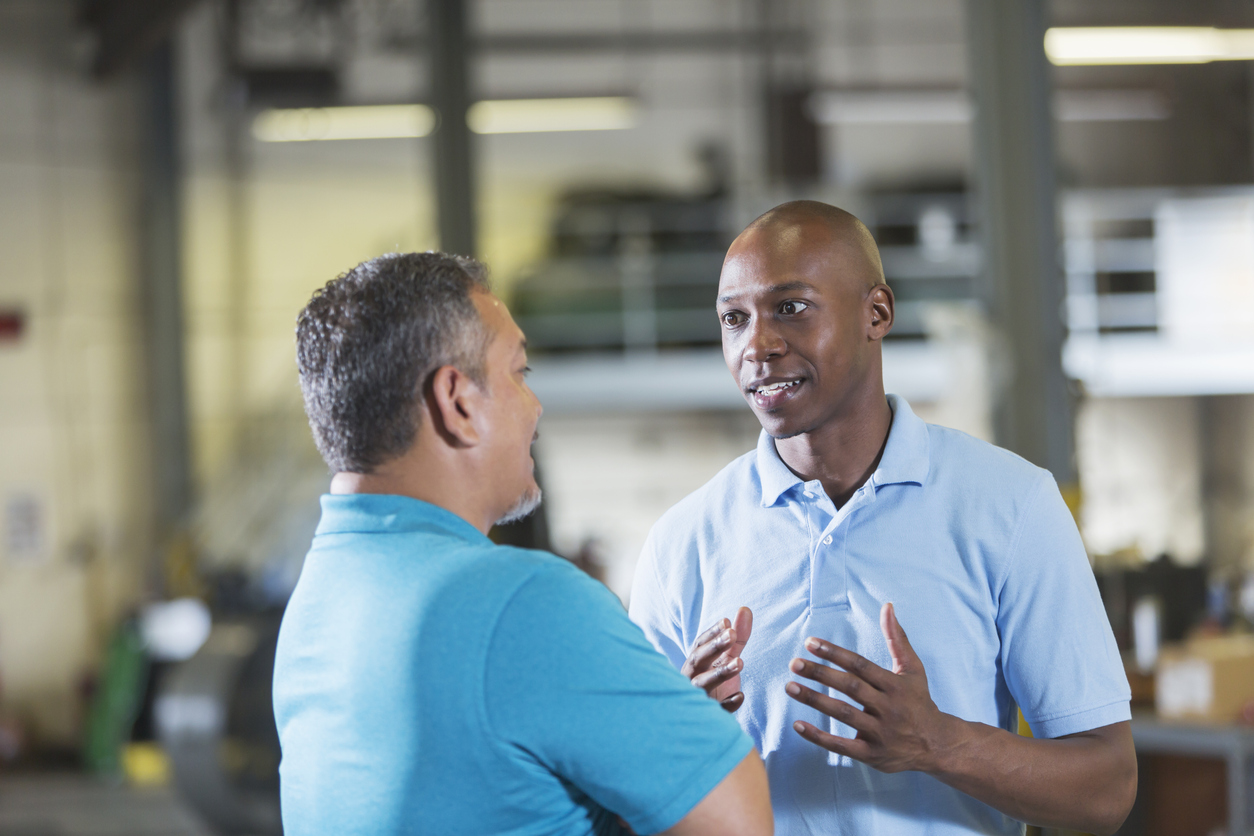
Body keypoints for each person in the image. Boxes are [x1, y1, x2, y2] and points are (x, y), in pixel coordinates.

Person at [628, 202, 1137, 836]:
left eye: (790, 307)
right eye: (735, 318)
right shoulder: (683, 540)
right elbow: (626, 800)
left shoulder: (1011, 506)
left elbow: (1106, 790)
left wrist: (940, 744)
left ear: (878, 313)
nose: (757, 345)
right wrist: (674, 746)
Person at [274, 252, 773, 836]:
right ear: (458, 401)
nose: (534, 406)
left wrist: (643, 729)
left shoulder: (317, 604)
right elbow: (739, 825)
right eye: (519, 372)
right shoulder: (525, 601)